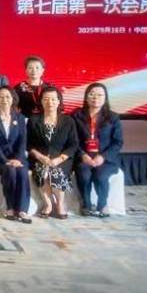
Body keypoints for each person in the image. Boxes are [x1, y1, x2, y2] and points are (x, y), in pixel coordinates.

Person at [72, 82, 124, 219]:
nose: (95, 98)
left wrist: (102, 157)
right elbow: (73, 140)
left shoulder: (113, 117)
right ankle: (86, 204)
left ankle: (102, 205)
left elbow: (118, 142)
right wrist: (83, 155)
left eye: (100, 95)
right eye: (92, 94)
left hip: (105, 159)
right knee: (84, 173)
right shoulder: (76, 115)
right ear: (86, 97)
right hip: (83, 157)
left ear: (105, 98)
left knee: (101, 176)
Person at [28, 86, 78, 219]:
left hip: (62, 158)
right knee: (42, 172)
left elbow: (73, 144)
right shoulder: (33, 120)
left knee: (55, 171)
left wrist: (59, 159)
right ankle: (48, 204)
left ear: (58, 101)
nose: (49, 102)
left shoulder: (68, 121)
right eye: (46, 99)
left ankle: (60, 204)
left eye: (53, 99)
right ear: (41, 101)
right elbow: (28, 144)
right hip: (40, 157)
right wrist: (40, 156)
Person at [0, 86, 30, 223]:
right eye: (1, 97)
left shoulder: (20, 118)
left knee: (22, 172)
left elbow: (23, 141)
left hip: (17, 157)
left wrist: (18, 159)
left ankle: (22, 210)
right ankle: (10, 207)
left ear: (13, 99)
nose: (4, 100)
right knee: (10, 171)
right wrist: (5, 160)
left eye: (7, 97)